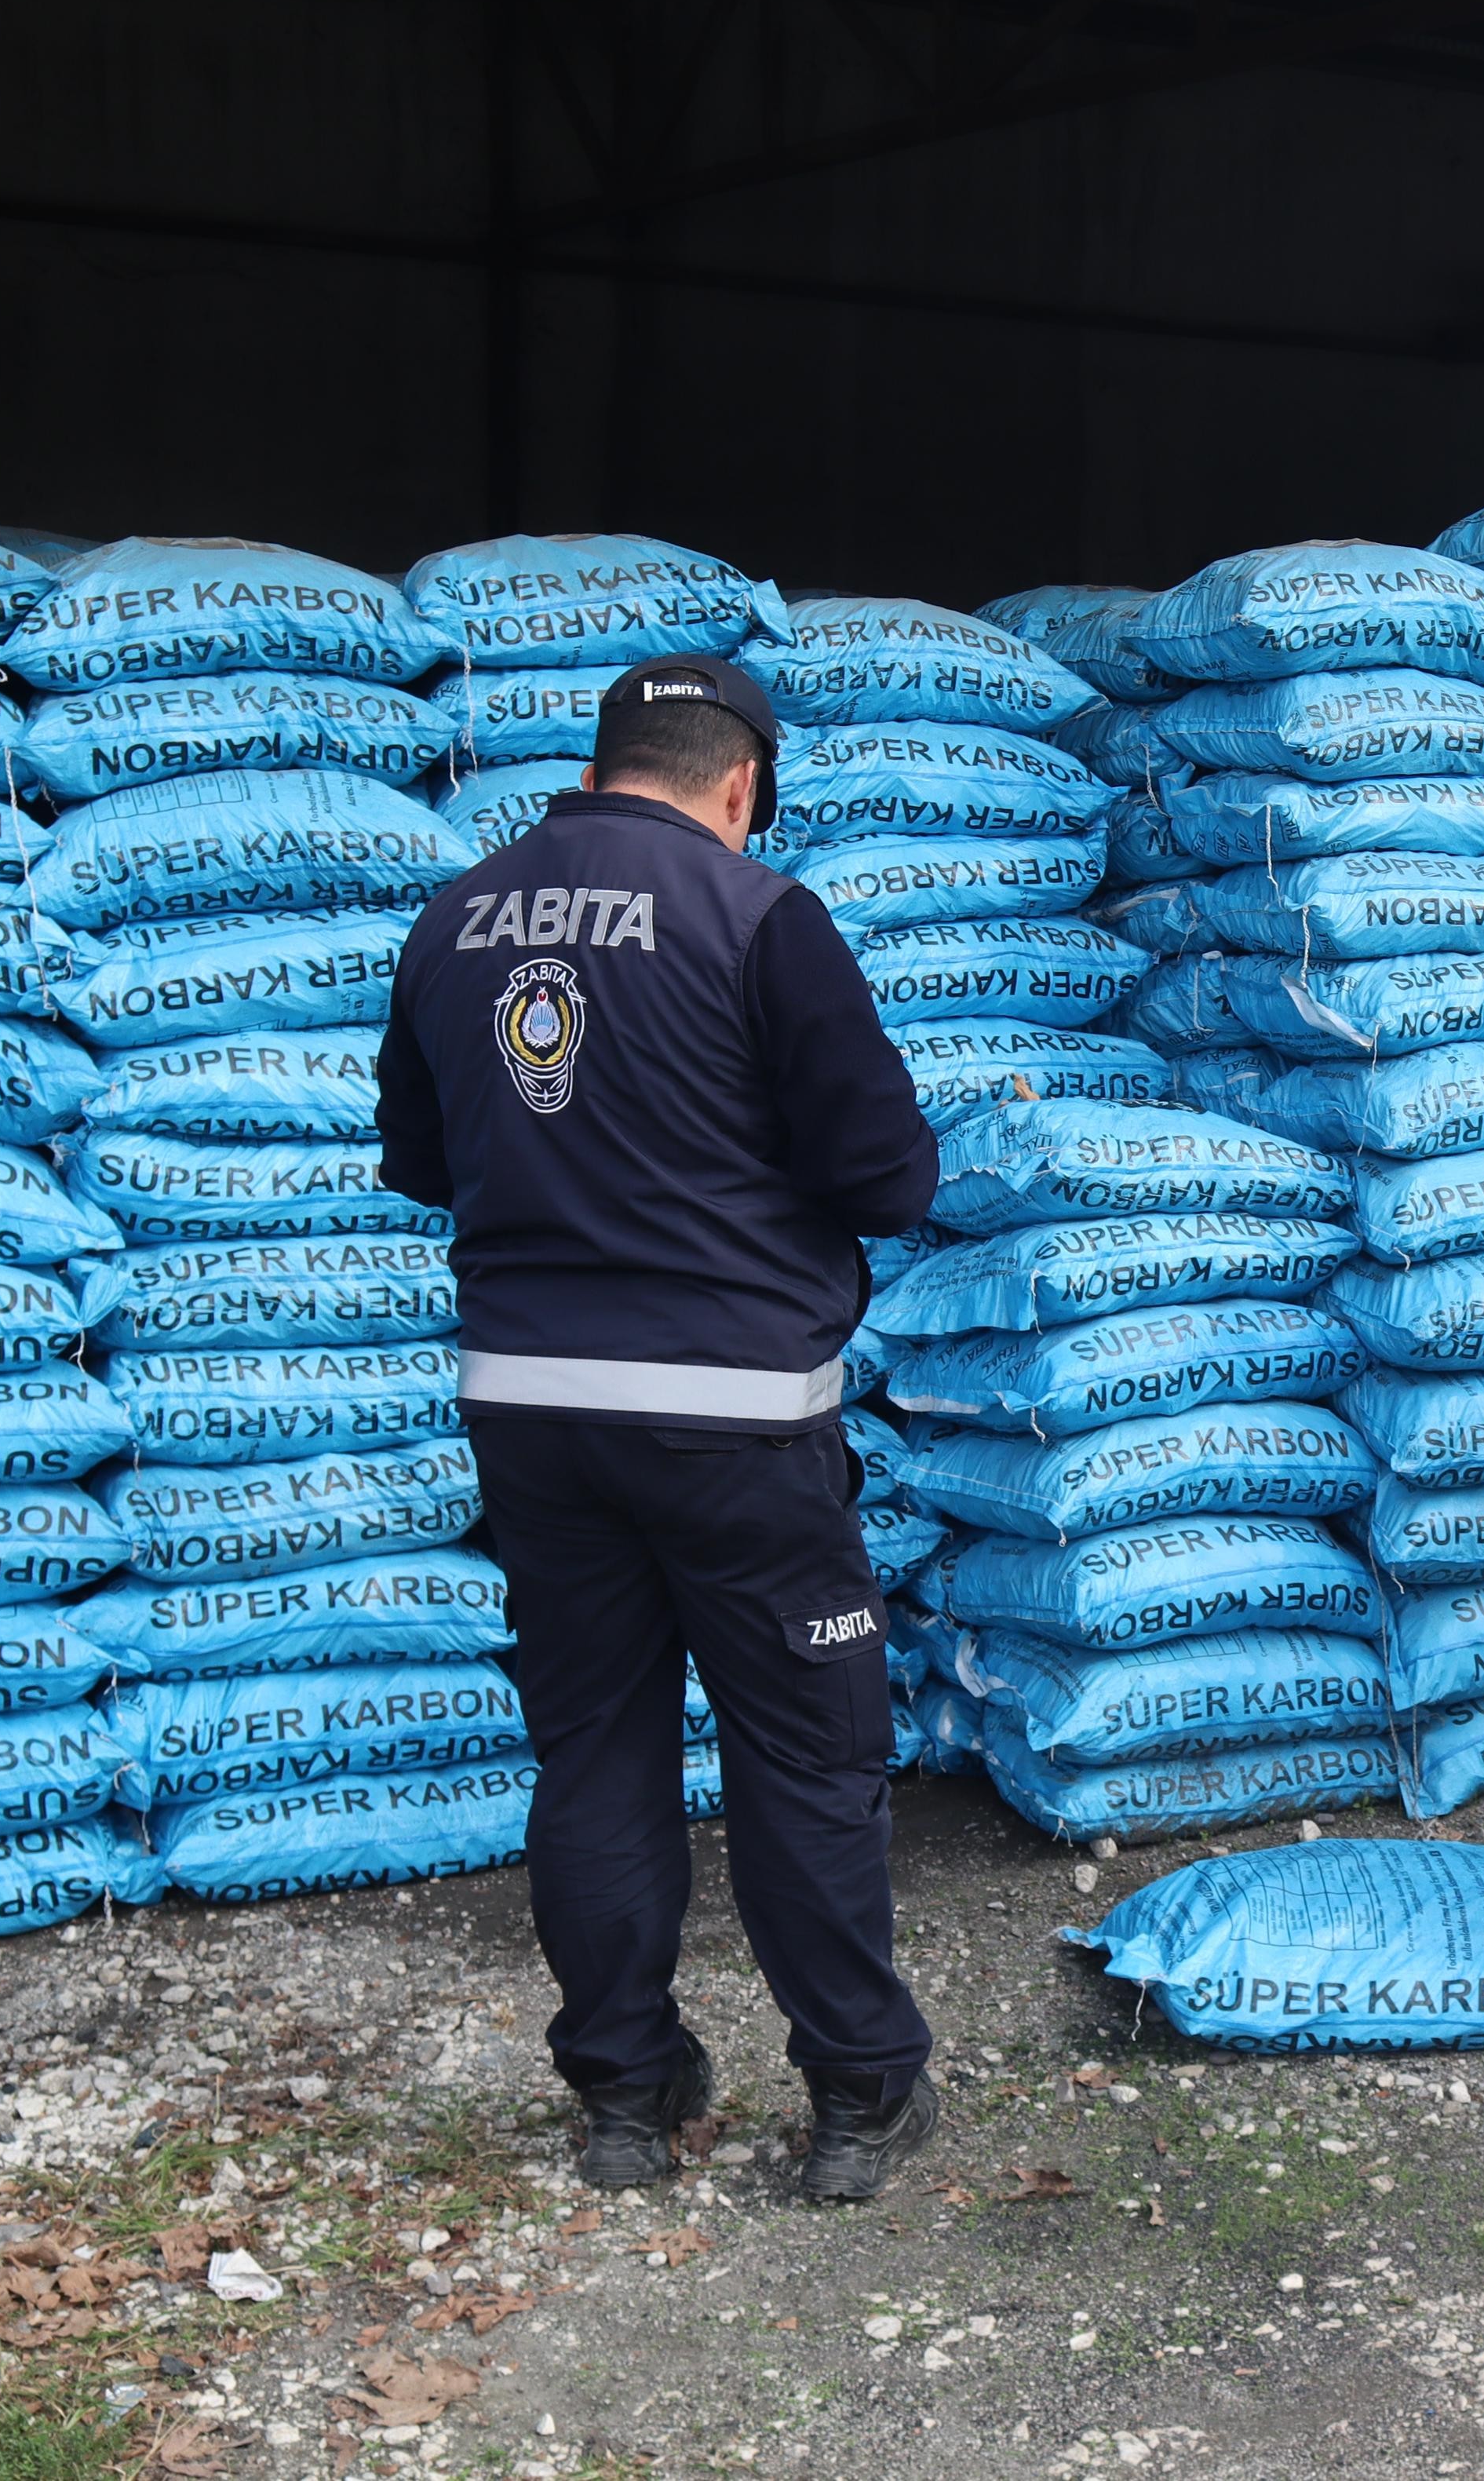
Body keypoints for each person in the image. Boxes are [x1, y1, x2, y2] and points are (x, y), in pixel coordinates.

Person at [374, 653, 946, 2202]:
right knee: (805, 1759)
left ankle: (626, 2100)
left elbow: (423, 1162)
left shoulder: (455, 918)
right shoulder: (763, 920)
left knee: (595, 1755)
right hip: (734, 1422)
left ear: (598, 766)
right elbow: (889, 1179)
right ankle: (854, 2096)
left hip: (534, 1415)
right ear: (742, 785)